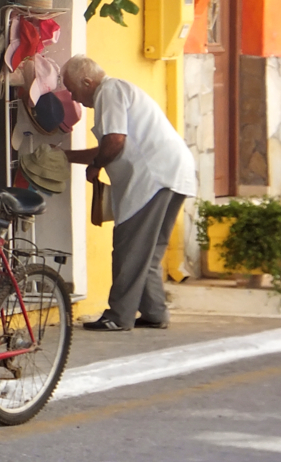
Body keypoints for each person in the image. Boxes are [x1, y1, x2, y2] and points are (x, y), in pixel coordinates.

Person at [61, 55, 197, 331]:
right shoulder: (121, 89)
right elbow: (111, 144)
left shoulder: (108, 91)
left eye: (73, 90)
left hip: (153, 178)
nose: (74, 98)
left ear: (87, 82)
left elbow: (114, 142)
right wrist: (68, 157)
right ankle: (155, 312)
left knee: (130, 248)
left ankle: (118, 316)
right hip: (174, 173)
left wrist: (96, 166)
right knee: (149, 252)